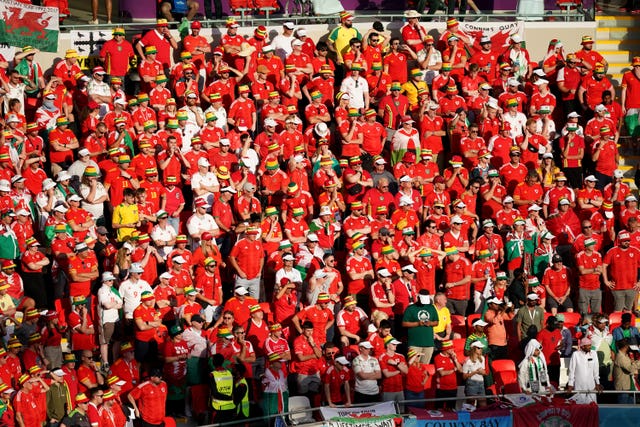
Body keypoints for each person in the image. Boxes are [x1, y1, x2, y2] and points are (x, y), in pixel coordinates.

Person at [402, 290, 439, 363]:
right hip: (414, 343)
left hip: (429, 343)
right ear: (418, 298)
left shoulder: (431, 307)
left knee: (425, 367)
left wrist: (430, 323)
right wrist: (417, 324)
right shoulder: (410, 308)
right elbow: (404, 323)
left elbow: (436, 322)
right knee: (413, 366)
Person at [566, 337, 603, 404]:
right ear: (582, 346)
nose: (590, 347)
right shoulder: (576, 354)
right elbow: (571, 370)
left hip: (591, 384)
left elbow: (596, 370)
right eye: (588, 345)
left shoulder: (594, 354)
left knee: (591, 405)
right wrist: (570, 384)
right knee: (579, 406)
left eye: (590, 345)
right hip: (579, 384)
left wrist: (597, 383)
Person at [613, 338, 640, 404]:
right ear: (626, 347)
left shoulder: (625, 355)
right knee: (623, 409)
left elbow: (632, 365)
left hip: (629, 386)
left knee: (631, 408)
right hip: (623, 388)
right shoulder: (620, 357)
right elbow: (630, 368)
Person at [462, 341, 487, 407]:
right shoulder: (467, 360)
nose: (481, 349)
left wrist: (482, 372)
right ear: (473, 349)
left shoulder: (482, 358)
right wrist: (475, 372)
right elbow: (464, 376)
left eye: (481, 348)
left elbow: (484, 372)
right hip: (471, 384)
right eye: (479, 348)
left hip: (481, 383)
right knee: (470, 406)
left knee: (483, 405)